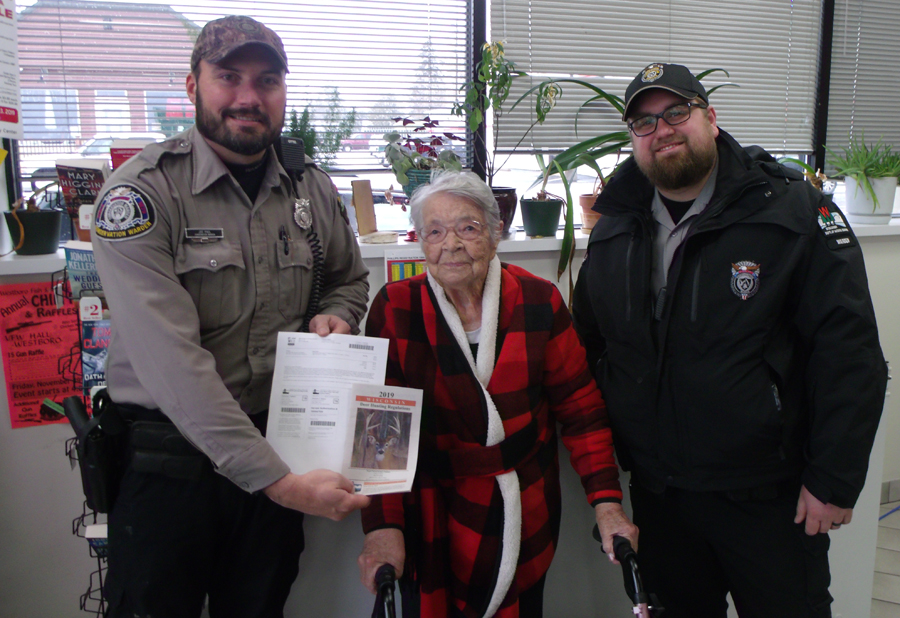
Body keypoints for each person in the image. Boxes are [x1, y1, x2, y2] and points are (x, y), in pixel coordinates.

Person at [572, 62, 888, 618]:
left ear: (710, 119)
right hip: (660, 496)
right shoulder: (616, 224)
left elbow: (850, 352)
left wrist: (834, 479)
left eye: (677, 112)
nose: (662, 129)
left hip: (770, 497)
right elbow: (590, 343)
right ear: (633, 139)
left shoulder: (791, 207)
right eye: (644, 122)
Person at [90, 16, 371, 618]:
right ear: (192, 87)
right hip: (171, 467)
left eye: (267, 80)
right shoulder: (138, 197)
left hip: (279, 441)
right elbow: (174, 366)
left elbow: (349, 280)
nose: (248, 97)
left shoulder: (310, 188)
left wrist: (337, 317)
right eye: (228, 77)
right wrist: (280, 482)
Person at [357, 171, 638, 618]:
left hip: (523, 505)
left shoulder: (537, 300)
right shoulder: (395, 307)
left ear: (494, 234)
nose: (451, 243)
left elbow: (582, 411)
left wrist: (608, 505)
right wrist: (381, 527)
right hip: (430, 508)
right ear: (420, 241)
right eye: (434, 231)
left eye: (467, 228)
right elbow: (379, 434)